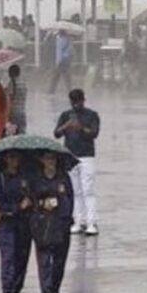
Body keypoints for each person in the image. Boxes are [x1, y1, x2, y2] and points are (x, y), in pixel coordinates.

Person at [29, 152, 75, 293]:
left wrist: (67, 217)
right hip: (42, 225)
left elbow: (71, 198)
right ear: (41, 160)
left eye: (53, 159)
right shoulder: (36, 179)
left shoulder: (64, 178)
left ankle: (54, 292)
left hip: (61, 224)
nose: (51, 162)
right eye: (47, 158)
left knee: (59, 262)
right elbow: (31, 200)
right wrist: (42, 204)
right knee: (44, 261)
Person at [54, 88, 101, 236]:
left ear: (83, 100)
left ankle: (91, 222)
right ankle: (78, 221)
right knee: (74, 190)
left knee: (88, 190)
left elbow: (94, 133)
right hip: (70, 156)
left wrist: (80, 128)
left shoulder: (92, 115)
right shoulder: (65, 115)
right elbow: (56, 134)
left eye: (78, 101)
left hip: (87, 156)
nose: (76, 105)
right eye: (73, 102)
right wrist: (66, 125)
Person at [0, 152, 33, 293]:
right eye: (10, 158)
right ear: (5, 159)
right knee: (8, 258)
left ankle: (16, 291)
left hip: (24, 225)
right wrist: (17, 208)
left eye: (16, 157)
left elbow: (32, 197)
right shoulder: (0, 178)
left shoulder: (26, 177)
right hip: (7, 225)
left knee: (21, 259)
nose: (14, 160)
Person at [48, 29, 73, 94]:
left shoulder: (59, 40)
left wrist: (57, 62)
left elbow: (59, 52)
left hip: (61, 61)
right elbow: (70, 50)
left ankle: (51, 91)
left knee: (55, 77)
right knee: (67, 77)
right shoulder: (69, 40)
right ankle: (70, 90)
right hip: (66, 60)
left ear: (60, 33)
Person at [6, 64, 27, 135]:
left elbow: (8, 97)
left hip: (13, 115)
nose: (8, 75)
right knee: (21, 136)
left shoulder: (12, 83)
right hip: (22, 114)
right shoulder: (23, 83)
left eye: (9, 73)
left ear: (12, 73)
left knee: (11, 137)